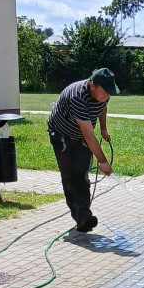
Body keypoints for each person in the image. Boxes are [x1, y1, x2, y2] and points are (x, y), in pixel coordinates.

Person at [47, 67, 118, 232]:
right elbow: (88, 134)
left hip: (82, 136)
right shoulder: (77, 96)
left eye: (110, 92)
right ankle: (79, 216)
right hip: (61, 135)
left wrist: (103, 128)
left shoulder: (103, 95)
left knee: (81, 173)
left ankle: (85, 216)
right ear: (93, 85)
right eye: (105, 92)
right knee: (69, 176)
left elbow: (102, 108)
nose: (108, 96)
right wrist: (103, 161)